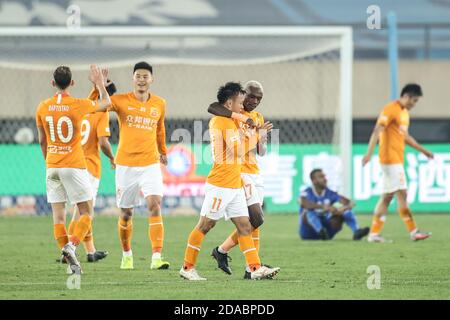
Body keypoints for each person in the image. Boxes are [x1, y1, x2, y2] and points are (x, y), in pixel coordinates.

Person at [179, 82, 280, 281]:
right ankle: (187, 267)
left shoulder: (235, 119)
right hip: (221, 182)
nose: (244, 104)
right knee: (205, 225)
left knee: (245, 225)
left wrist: (257, 135)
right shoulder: (222, 122)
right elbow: (238, 151)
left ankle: (254, 267)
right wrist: (257, 135)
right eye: (241, 100)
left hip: (234, 182)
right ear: (229, 103)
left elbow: (249, 147)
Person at [90, 62, 169, 270]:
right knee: (126, 213)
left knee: (155, 205)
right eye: (138, 76)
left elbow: (160, 129)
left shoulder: (160, 103)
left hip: (150, 163)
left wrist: (163, 151)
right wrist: (100, 86)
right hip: (125, 165)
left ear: (152, 79)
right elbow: (100, 106)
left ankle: (157, 257)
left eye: (145, 76)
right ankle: (126, 254)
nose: (142, 79)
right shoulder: (121, 100)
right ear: (133, 78)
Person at [36, 65, 111, 274]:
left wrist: (49, 162)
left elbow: (42, 140)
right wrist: (100, 85)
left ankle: (67, 255)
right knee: (86, 212)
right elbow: (107, 103)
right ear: (72, 83)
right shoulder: (78, 104)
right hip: (74, 165)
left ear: (53, 83)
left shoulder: (42, 107)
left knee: (58, 218)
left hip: (52, 166)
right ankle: (72, 246)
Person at [207, 80, 274, 279]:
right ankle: (250, 265)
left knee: (255, 222)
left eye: (259, 98)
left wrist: (262, 139)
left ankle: (241, 261)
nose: (254, 101)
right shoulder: (231, 113)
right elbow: (212, 107)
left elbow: (261, 151)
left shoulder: (258, 117)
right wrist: (242, 118)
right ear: (243, 95)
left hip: (255, 170)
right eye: (251, 96)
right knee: (254, 219)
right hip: (239, 172)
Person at [362, 83, 433, 243]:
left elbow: (405, 137)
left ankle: (374, 234)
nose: (414, 104)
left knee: (387, 197)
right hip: (390, 158)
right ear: (406, 96)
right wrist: (369, 153)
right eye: (413, 100)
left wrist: (423, 150)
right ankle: (413, 231)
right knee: (402, 194)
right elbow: (377, 130)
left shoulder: (404, 113)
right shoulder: (390, 109)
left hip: (396, 158)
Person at [65, 69, 116, 263]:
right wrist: (112, 158)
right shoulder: (101, 113)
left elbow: (95, 93)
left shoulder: (85, 106)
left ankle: (90, 251)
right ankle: (69, 250)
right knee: (84, 213)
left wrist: (97, 83)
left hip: (73, 163)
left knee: (80, 210)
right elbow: (103, 142)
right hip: (90, 167)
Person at [299, 169, 369, 240]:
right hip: (308, 233)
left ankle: (357, 231)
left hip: (326, 230)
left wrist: (343, 208)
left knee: (346, 212)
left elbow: (350, 203)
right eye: (321, 177)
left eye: (325, 177)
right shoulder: (307, 192)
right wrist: (324, 207)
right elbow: (304, 203)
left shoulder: (330, 193)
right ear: (314, 180)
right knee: (309, 212)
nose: (325, 179)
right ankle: (320, 231)